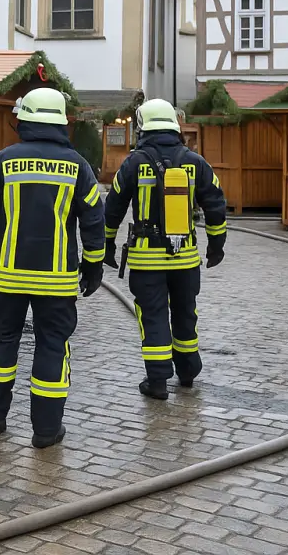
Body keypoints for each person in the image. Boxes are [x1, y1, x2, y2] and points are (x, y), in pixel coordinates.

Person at [0, 86, 105, 449]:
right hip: (58, 281)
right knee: (53, 345)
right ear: (62, 124)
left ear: (23, 121)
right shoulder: (78, 167)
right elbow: (93, 219)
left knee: (2, 339)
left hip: (9, 277)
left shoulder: (0, 162)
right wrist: (93, 265)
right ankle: (46, 429)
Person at [104, 98, 227, 400]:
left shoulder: (133, 163)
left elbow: (113, 207)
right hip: (185, 259)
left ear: (143, 127)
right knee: (185, 313)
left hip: (147, 263)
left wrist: (107, 244)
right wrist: (216, 245)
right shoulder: (195, 162)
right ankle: (188, 371)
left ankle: (157, 381)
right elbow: (216, 204)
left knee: (153, 316)